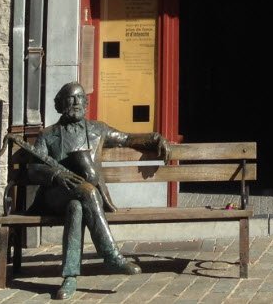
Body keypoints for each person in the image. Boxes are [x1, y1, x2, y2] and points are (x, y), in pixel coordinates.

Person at [28, 82, 171, 300]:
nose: (76, 102)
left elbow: (126, 138)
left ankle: (70, 277)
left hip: (82, 199)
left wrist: (155, 138)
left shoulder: (97, 129)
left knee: (77, 207)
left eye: (80, 98)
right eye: (70, 98)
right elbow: (33, 169)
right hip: (55, 195)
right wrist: (57, 175)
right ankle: (111, 256)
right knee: (88, 191)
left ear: (86, 103)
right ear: (60, 104)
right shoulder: (48, 135)